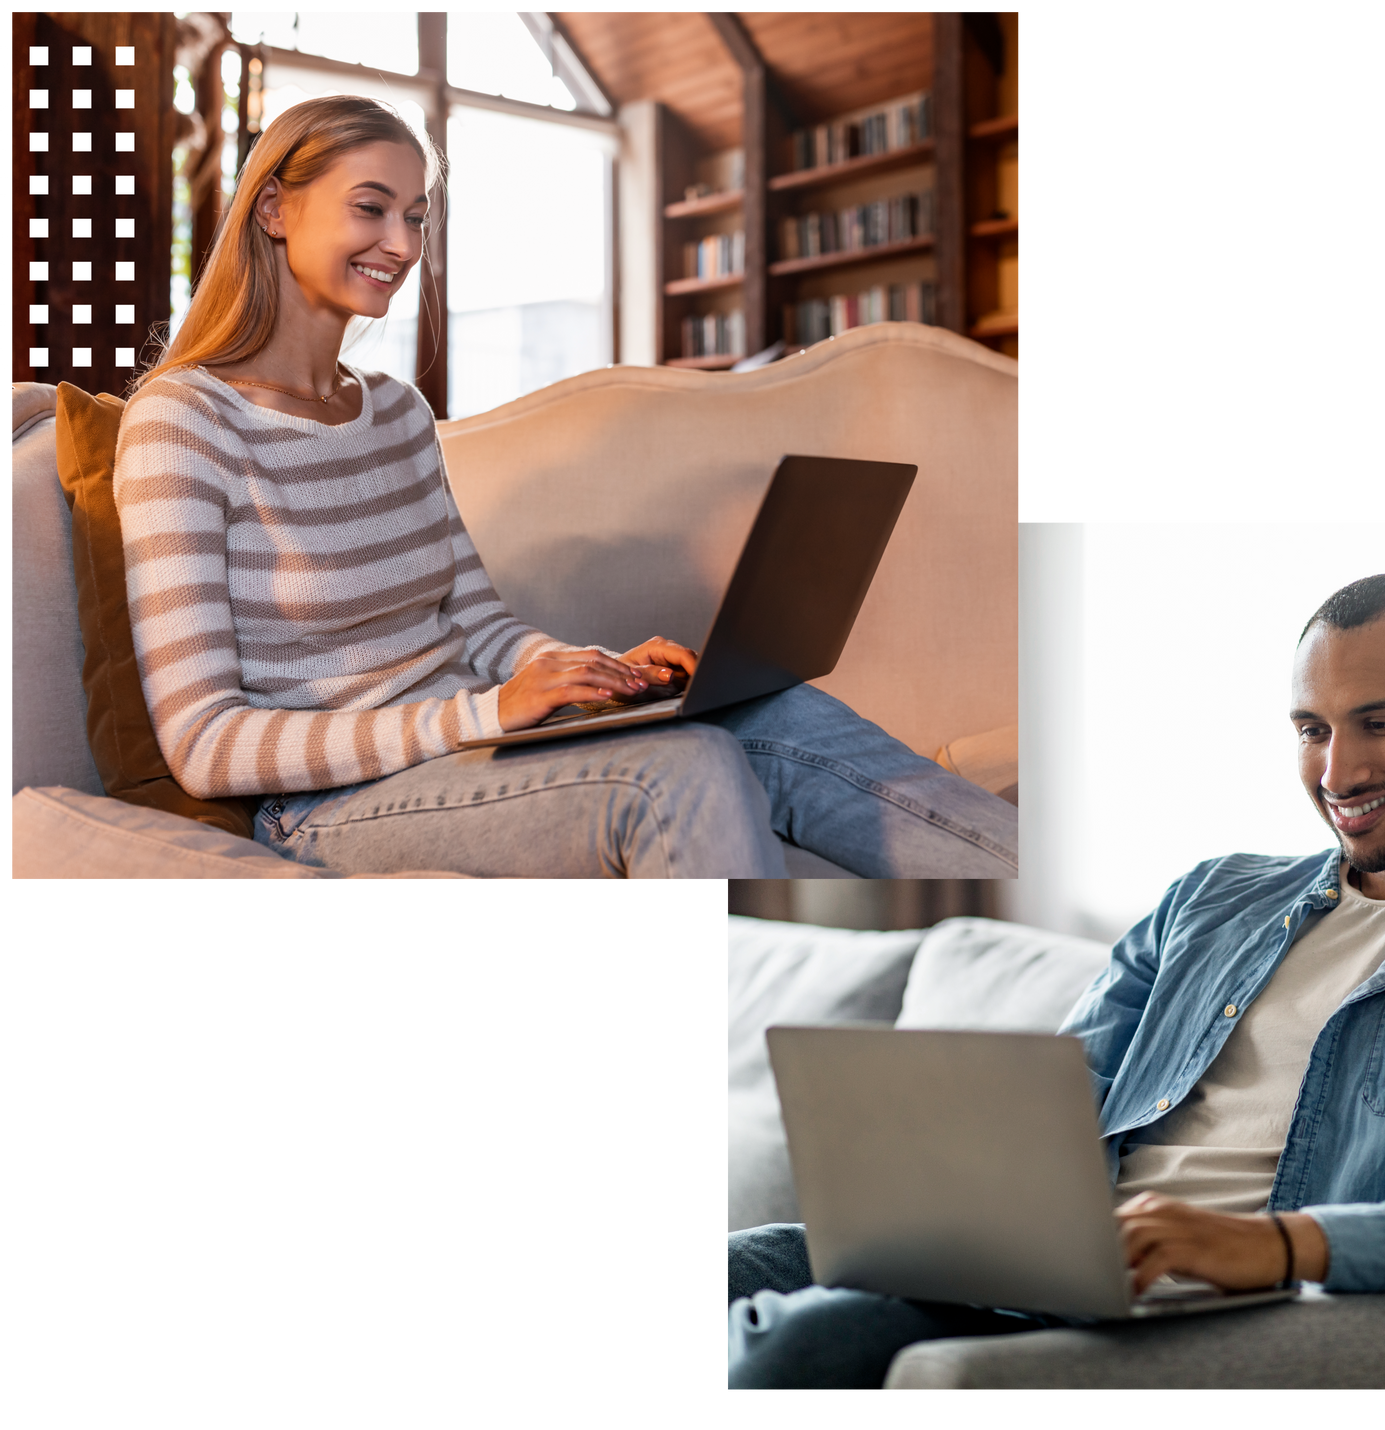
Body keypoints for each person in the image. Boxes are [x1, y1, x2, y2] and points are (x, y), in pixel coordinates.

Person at [725, 573, 1385, 1389]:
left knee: (801, 1346)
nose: (1337, 770)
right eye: (1312, 728)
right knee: (740, 1266)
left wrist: (1283, 1244)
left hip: (1220, 1303)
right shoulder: (1210, 897)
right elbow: (1060, 1099)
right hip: (1056, 1263)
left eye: (1379, 723)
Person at [115, 95, 1014, 881]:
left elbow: (476, 620)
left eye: (418, 216)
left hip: (471, 746)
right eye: (371, 207)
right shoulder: (182, 423)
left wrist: (589, 673)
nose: (402, 243)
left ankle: (1113, 922)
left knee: (771, 707)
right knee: (684, 769)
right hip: (327, 804)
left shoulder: (394, 413)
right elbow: (204, 742)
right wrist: (478, 714)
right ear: (274, 207)